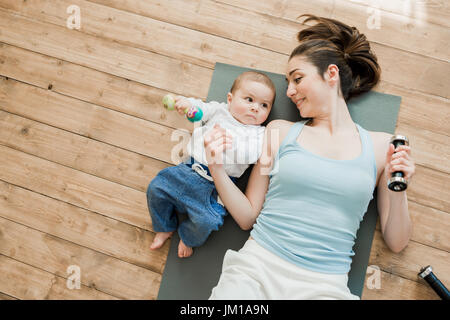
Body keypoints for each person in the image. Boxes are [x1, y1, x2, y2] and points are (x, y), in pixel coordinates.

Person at [205, 15, 416, 299]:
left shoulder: (381, 147)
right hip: (256, 270)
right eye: (288, 82)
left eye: (297, 78)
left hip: (324, 286)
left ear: (331, 74)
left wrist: (399, 190)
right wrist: (216, 167)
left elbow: (397, 241)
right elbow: (247, 218)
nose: (289, 91)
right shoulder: (278, 133)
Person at [146, 71, 276, 258]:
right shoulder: (221, 111)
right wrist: (186, 104)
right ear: (230, 99)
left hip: (213, 187)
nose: (256, 108)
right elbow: (200, 109)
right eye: (249, 99)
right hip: (187, 170)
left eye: (264, 105)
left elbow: (252, 154)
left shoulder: (258, 134)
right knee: (156, 188)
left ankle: (188, 236)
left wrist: (230, 143)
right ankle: (164, 226)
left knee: (208, 221)